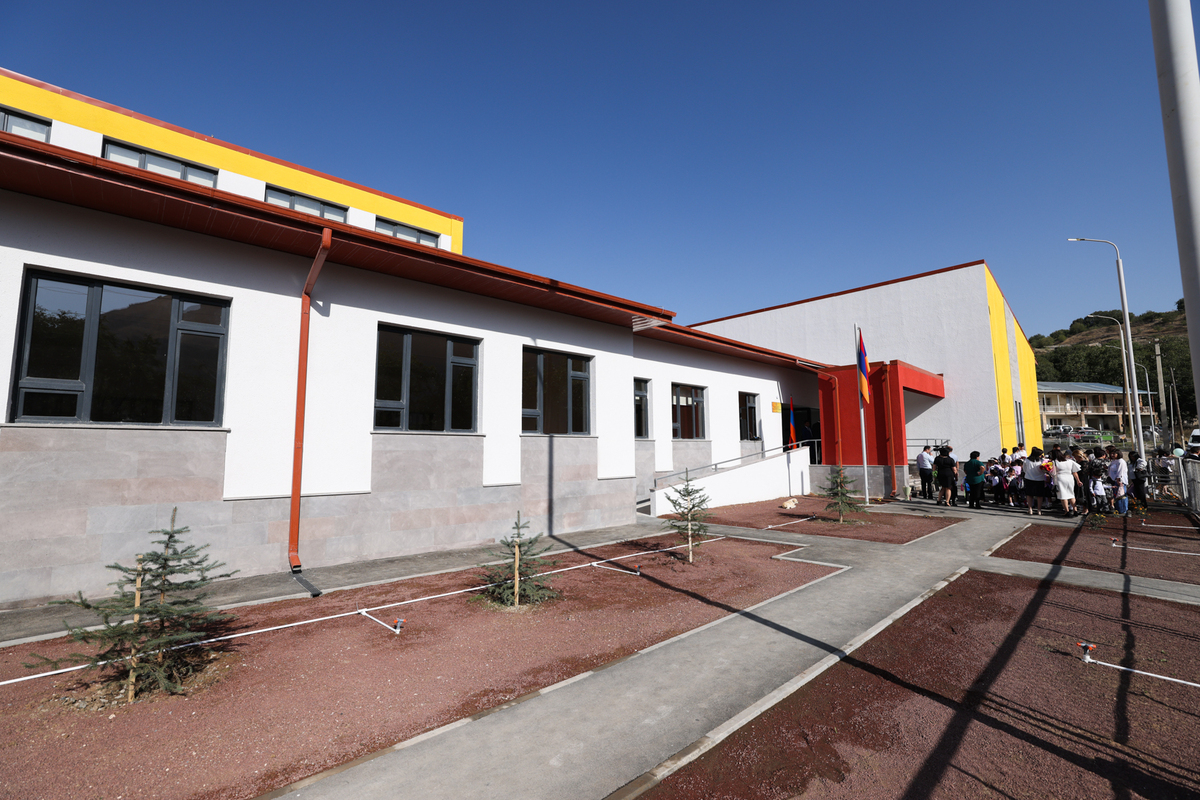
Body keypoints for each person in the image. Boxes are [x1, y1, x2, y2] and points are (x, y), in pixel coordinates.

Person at [1053, 450, 1082, 516]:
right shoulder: (1070, 461)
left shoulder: (1055, 462)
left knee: (1063, 495)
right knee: (1071, 494)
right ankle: (1075, 510)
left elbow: (1052, 472)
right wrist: (1078, 480)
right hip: (1070, 478)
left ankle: (1067, 511)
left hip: (1060, 478)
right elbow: (1075, 472)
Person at [1023, 447, 1048, 515]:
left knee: (1029, 494)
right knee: (1039, 495)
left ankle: (1030, 509)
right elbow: (1044, 470)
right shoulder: (1041, 461)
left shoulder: (1026, 460)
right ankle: (1039, 510)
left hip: (1029, 478)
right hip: (1040, 479)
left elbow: (1024, 470)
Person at [1109, 450, 1130, 516]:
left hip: (1120, 480)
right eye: (1111, 453)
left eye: (1114, 453)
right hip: (1114, 480)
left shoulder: (1121, 461)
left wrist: (1118, 479)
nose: (1112, 455)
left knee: (1121, 495)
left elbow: (1120, 471)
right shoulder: (1114, 461)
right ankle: (1118, 509)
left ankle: (1123, 510)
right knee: (1117, 495)